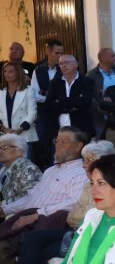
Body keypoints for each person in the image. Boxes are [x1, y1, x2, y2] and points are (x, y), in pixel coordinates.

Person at [0, 141, 115, 264]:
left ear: (103, 161)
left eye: (88, 161)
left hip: (89, 234)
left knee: (40, 250)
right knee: (32, 239)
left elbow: (87, 216)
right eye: (84, 160)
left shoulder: (106, 184)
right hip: (75, 229)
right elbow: (76, 215)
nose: (84, 165)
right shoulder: (88, 183)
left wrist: (74, 218)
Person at [40, 55, 97, 148]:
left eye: (67, 62)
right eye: (61, 63)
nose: (64, 66)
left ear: (76, 64)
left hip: (81, 128)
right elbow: (48, 105)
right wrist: (73, 103)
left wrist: (60, 101)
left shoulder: (86, 81)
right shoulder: (55, 83)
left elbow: (84, 102)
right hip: (59, 129)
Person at [30, 40, 64, 169]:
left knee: (60, 143)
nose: (60, 56)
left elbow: (65, 95)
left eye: (61, 53)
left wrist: (45, 93)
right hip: (43, 114)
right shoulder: (38, 70)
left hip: (60, 113)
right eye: (57, 53)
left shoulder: (65, 69)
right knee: (42, 144)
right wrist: (53, 97)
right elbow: (35, 95)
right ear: (48, 52)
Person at [0, 62, 38, 145]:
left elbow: (32, 113)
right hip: (4, 136)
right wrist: (4, 129)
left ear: (18, 73)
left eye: (10, 71)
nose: (7, 74)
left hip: (25, 135)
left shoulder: (28, 90)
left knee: (25, 158)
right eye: (5, 71)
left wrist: (20, 129)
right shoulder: (1, 92)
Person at [85, 48, 115, 137]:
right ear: (103, 58)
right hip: (99, 118)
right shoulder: (91, 75)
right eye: (112, 56)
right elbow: (89, 96)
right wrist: (100, 107)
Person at [0, 134, 41, 204]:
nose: (0, 151)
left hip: (21, 213)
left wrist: (3, 205)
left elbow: (32, 198)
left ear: (19, 151)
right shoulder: (4, 169)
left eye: (5, 148)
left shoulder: (29, 169)